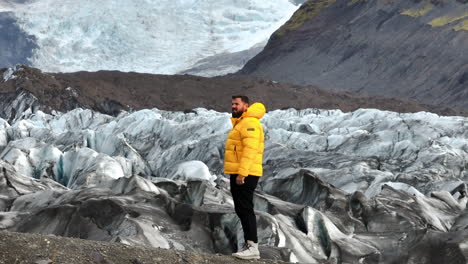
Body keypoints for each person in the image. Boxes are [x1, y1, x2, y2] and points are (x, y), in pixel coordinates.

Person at [224, 95, 266, 260]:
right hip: (240, 171)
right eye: (232, 103)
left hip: (246, 173)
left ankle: (253, 247)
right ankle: (250, 245)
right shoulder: (242, 122)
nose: (233, 106)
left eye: (237, 104)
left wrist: (242, 173)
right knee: (241, 209)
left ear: (246, 106)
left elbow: (250, 150)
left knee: (245, 208)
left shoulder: (249, 123)